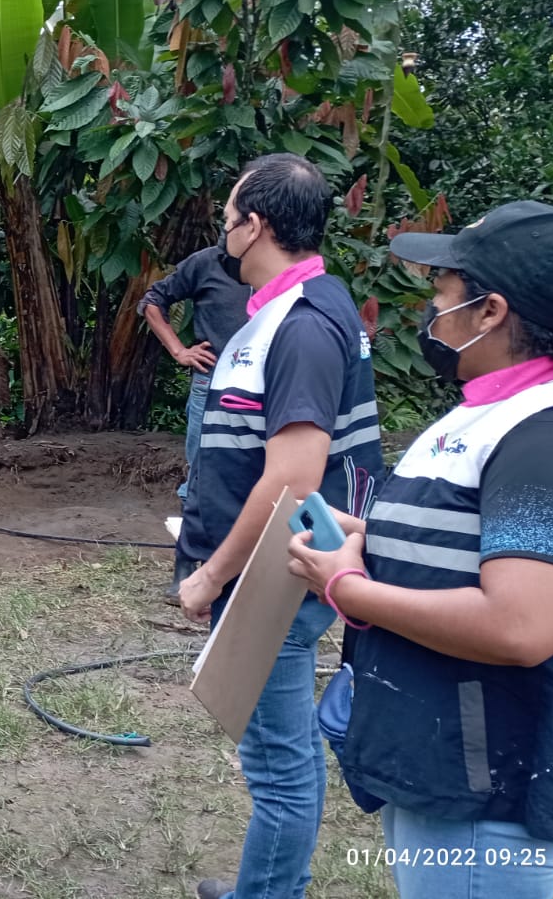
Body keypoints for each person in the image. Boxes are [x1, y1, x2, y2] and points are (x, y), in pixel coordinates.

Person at [288, 201, 553, 899]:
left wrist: (348, 589)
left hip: (485, 786)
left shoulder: (545, 437)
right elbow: (469, 539)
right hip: (442, 755)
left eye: (443, 292)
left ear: (491, 312)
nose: (432, 310)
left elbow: (522, 624)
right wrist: (369, 537)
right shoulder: (489, 411)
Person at [179, 154, 385, 899]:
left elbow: (293, 476)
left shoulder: (301, 325)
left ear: (255, 225)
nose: (224, 233)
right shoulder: (292, 309)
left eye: (228, 219)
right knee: (280, 756)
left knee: (278, 768)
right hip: (278, 562)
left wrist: (211, 576)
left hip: (275, 572)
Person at [138, 246, 251, 597]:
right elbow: (152, 301)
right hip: (211, 381)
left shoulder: (277, 264)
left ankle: (233, 572)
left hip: (260, 385)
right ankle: (185, 569)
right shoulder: (206, 262)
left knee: (249, 476)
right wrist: (179, 350)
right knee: (201, 474)